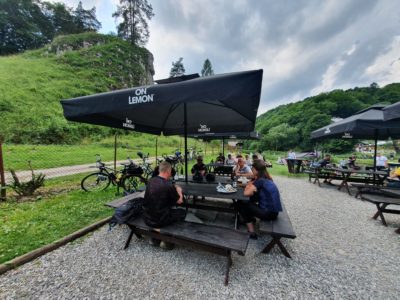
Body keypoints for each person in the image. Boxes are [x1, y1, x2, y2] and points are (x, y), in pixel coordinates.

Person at [142, 161, 186, 248]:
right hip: (160, 220)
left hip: (147, 217)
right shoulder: (168, 185)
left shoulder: (150, 181)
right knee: (182, 212)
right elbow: (180, 201)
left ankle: (154, 238)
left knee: (163, 209)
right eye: (170, 172)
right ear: (168, 171)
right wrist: (179, 190)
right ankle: (167, 240)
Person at [237, 160, 281, 239]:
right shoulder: (267, 178)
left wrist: (249, 183)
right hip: (274, 212)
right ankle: (251, 218)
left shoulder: (260, 180)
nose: (252, 170)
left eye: (252, 168)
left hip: (268, 214)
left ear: (257, 170)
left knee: (242, 203)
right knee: (252, 198)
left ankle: (252, 232)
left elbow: (246, 193)